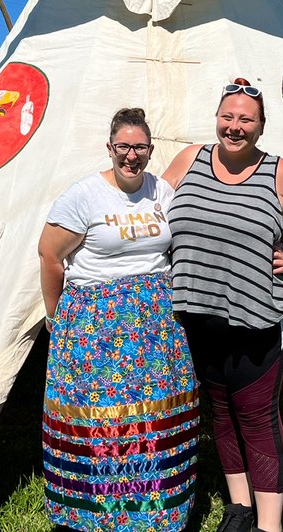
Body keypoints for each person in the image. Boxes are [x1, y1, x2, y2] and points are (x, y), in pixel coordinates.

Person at [163, 79, 283, 532]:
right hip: (196, 310)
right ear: (217, 118)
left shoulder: (280, 173)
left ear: (261, 127)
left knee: (257, 416)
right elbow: (151, 206)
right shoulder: (190, 159)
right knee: (220, 410)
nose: (234, 126)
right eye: (228, 116)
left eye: (246, 119)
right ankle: (239, 508)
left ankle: (269, 524)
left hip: (256, 313)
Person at [38, 107, 199, 532]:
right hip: (97, 324)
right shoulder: (84, 196)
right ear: (109, 148)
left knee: (151, 418)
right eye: (124, 146)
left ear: (151, 149)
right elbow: (50, 256)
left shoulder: (161, 191)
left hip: (154, 323)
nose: (132, 155)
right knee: (103, 418)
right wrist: (58, 319)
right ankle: (94, 514)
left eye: (140, 147)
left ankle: (156, 511)